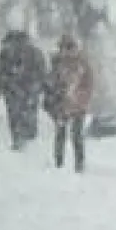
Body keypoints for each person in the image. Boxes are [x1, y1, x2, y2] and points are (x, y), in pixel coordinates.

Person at [43, 34, 94, 172]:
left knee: (76, 135)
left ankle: (79, 164)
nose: (66, 52)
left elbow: (88, 85)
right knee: (61, 134)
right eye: (64, 48)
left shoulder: (82, 64)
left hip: (77, 105)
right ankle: (59, 162)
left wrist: (80, 98)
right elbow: (50, 85)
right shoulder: (57, 64)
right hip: (61, 104)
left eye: (69, 48)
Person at [0, 29, 46, 151]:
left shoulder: (32, 53)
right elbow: (0, 72)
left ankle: (23, 137)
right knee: (22, 112)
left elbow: (1, 72)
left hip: (22, 87)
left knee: (19, 113)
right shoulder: (33, 52)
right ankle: (23, 137)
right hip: (19, 88)